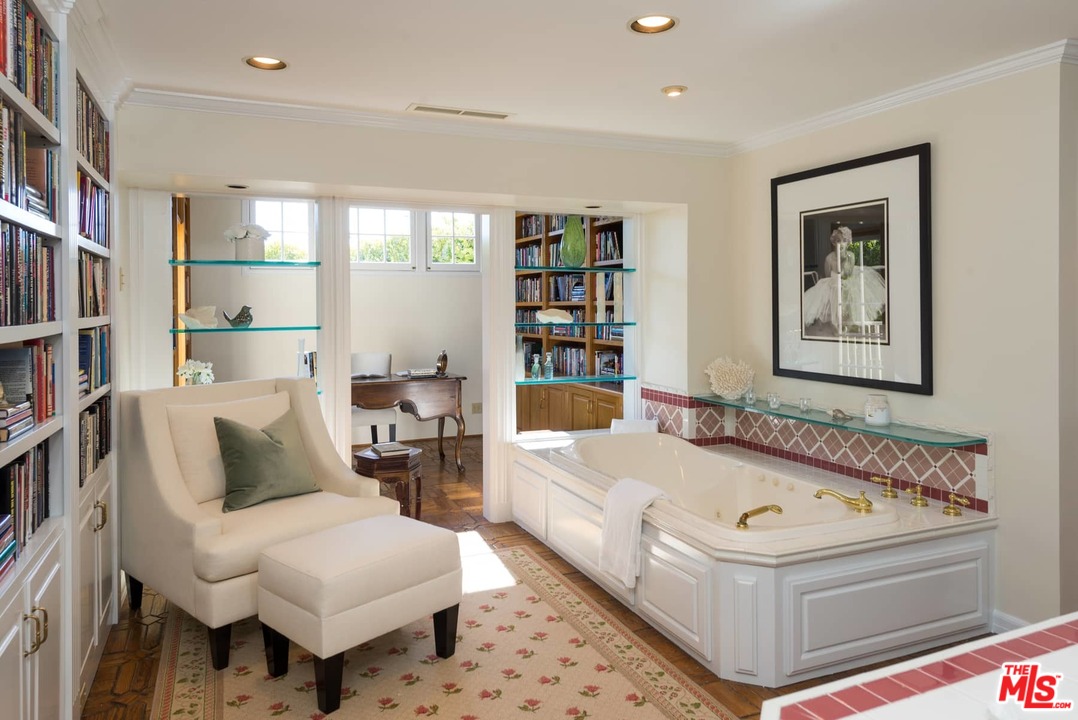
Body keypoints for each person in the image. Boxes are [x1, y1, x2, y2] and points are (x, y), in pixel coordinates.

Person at [802, 226, 886, 338]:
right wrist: (835, 280)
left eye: (845, 241)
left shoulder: (850, 256)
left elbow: (848, 273)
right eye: (838, 241)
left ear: (849, 243)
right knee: (834, 294)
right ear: (833, 243)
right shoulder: (829, 258)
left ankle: (850, 323)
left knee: (850, 294)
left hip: (848, 279)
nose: (841, 244)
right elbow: (827, 274)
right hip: (833, 282)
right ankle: (836, 325)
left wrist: (844, 261)